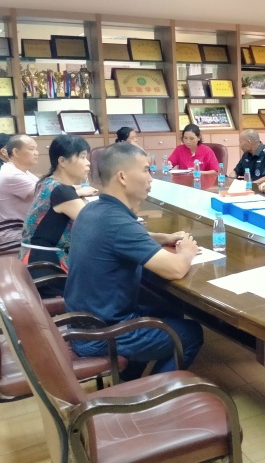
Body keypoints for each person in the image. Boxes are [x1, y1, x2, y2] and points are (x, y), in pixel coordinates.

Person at [64, 142, 203, 378]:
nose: (151, 178)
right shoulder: (118, 223)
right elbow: (175, 269)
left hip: (84, 323)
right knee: (190, 334)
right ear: (122, 177)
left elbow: (123, 235)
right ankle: (154, 392)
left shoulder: (93, 210)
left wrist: (163, 237)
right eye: (146, 170)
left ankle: (130, 379)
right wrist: (187, 251)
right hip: (102, 335)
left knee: (168, 307)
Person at [19, 135, 98, 297]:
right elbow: (96, 226)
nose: (88, 162)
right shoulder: (62, 192)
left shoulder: (47, 182)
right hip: (47, 268)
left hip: (34, 259)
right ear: (62, 161)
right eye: (82, 157)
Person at [0, 134, 39, 241]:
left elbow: (45, 185)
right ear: (16, 152)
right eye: (32, 149)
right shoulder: (12, 175)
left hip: (26, 228)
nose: (36, 153)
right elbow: (46, 192)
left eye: (36, 149)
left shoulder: (19, 170)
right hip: (19, 234)